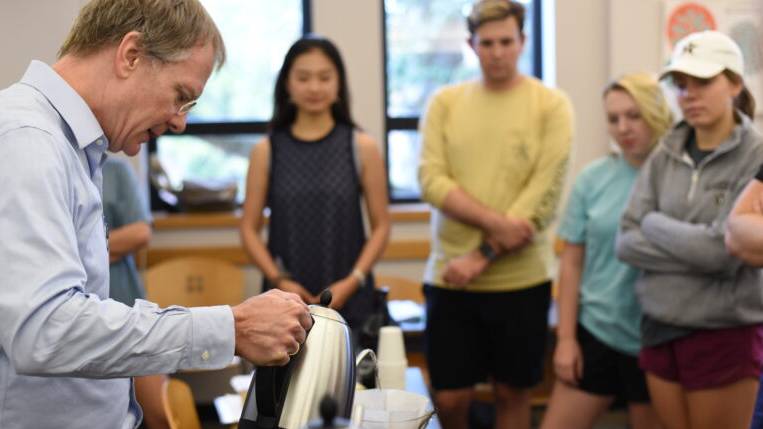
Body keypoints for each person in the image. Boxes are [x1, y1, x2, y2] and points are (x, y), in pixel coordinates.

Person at [0, 1, 312, 428]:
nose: (180, 122)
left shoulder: (73, 149)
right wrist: (231, 328)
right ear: (131, 55)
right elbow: (46, 329)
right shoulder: (28, 141)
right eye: (181, 96)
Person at [417, 1, 573, 427]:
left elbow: (540, 203)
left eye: (507, 42)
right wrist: (496, 226)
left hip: (522, 281)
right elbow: (431, 180)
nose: (498, 52)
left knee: (512, 393)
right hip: (450, 280)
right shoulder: (445, 103)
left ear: (522, 41)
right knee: (448, 400)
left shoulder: (551, 105)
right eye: (487, 43)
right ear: (472, 45)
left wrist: (481, 256)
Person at [616, 30, 763, 429]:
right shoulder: (667, 150)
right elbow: (625, 240)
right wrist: (691, 240)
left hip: (722, 332)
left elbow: (723, 251)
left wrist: (654, 222)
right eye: (681, 85)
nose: (688, 95)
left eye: (703, 82)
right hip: (659, 326)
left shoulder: (756, 155)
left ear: (734, 83)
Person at [539, 73, 671, 429]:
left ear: (656, 114)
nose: (623, 127)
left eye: (634, 115)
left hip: (657, 337)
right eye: (613, 119)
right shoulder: (593, 179)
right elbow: (571, 264)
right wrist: (566, 340)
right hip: (598, 330)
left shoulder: (676, 177)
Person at [240, 35, 390, 335]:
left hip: (351, 296)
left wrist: (353, 280)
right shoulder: (266, 150)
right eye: (303, 77)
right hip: (284, 299)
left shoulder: (361, 146)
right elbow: (248, 229)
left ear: (339, 85)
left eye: (324, 77)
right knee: (285, 381)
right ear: (287, 84)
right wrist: (278, 279)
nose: (314, 87)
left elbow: (382, 226)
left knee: (354, 380)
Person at [102, 156, 168, 429]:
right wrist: (109, 248)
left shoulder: (115, 169)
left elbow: (140, 233)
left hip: (123, 299)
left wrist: (80, 248)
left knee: (159, 412)